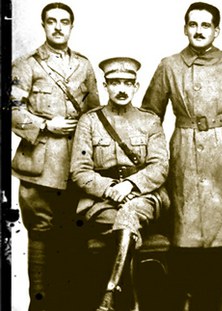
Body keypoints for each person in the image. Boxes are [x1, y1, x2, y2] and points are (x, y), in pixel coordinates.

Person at [141, 3, 222, 309]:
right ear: (185, 29)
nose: (198, 30)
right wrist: (155, 157)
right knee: (186, 248)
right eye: (192, 24)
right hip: (184, 161)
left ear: (216, 31)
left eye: (205, 25)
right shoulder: (169, 66)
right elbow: (149, 116)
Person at [10, 2, 101, 309]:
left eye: (64, 22)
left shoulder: (84, 66)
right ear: (44, 25)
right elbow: (11, 111)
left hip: (75, 165)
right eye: (52, 21)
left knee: (73, 241)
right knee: (40, 236)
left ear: (71, 27)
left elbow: (94, 116)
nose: (58, 27)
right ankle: (39, 303)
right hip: (39, 167)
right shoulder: (27, 65)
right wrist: (46, 125)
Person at [70, 57, 170, 310]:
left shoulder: (150, 121)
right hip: (100, 201)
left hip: (145, 197)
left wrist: (131, 186)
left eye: (128, 82)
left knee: (129, 213)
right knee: (125, 220)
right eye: (115, 82)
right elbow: (79, 171)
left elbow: (160, 167)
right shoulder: (90, 121)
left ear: (136, 86)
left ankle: (110, 293)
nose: (122, 88)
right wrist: (110, 189)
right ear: (105, 85)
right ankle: (133, 301)